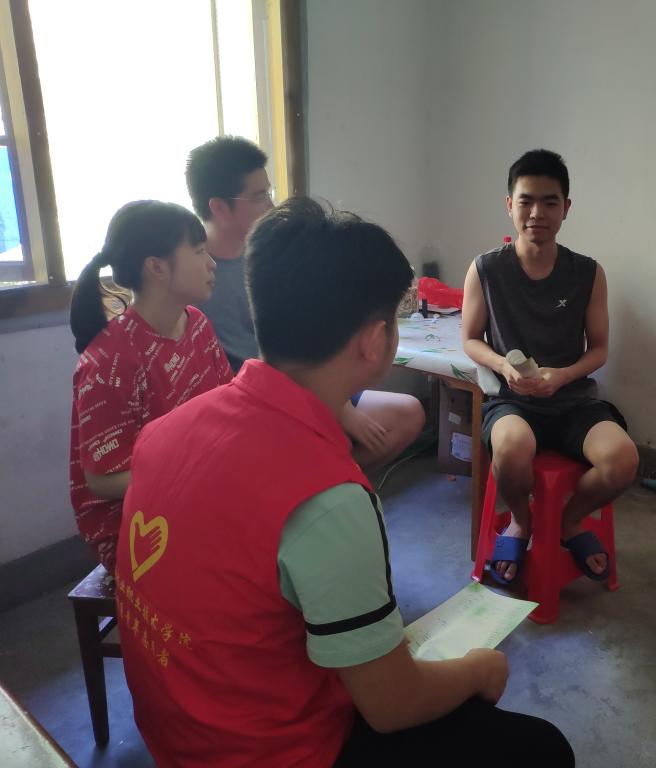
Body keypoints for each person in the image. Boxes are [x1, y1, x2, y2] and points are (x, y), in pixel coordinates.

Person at [116, 199, 574, 767]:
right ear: (375, 339)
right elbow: (391, 704)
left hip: (172, 740)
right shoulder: (328, 500)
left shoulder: (163, 433)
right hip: (272, 755)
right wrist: (480, 668)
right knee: (542, 749)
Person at [186, 136, 424, 469]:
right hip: (258, 401)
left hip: (315, 383)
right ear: (219, 208)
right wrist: (338, 412)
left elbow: (310, 345)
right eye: (259, 196)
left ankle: (328, 479)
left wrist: (342, 407)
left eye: (269, 193)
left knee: (407, 415)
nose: (271, 206)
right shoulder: (195, 279)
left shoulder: (277, 259)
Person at [462, 149, 638, 585]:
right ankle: (521, 521)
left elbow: (599, 349)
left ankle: (567, 521)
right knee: (511, 448)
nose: (537, 213)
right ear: (510, 205)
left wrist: (563, 376)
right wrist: (503, 366)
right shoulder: (486, 269)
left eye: (550, 202)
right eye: (526, 201)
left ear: (566, 208)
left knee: (623, 460)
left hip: (573, 400)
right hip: (513, 401)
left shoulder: (588, 273)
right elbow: (470, 339)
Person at [68, 200, 231, 572]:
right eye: (198, 251)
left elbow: (227, 404)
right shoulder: (109, 362)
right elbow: (102, 480)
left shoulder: (198, 324)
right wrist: (192, 477)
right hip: (134, 521)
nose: (211, 263)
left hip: (197, 485)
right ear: (156, 267)